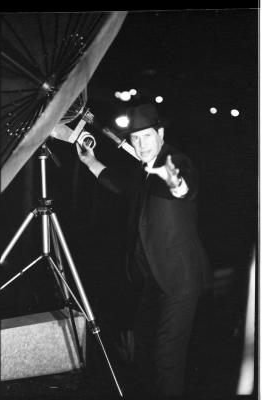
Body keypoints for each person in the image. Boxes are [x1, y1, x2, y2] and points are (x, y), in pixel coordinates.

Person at [76, 103, 210, 398]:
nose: (141, 144)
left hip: (179, 280)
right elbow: (122, 185)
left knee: (165, 358)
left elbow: (185, 187)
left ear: (160, 133)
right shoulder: (144, 169)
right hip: (152, 279)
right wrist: (90, 163)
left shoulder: (175, 160)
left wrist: (173, 180)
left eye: (147, 137)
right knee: (145, 351)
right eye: (136, 139)